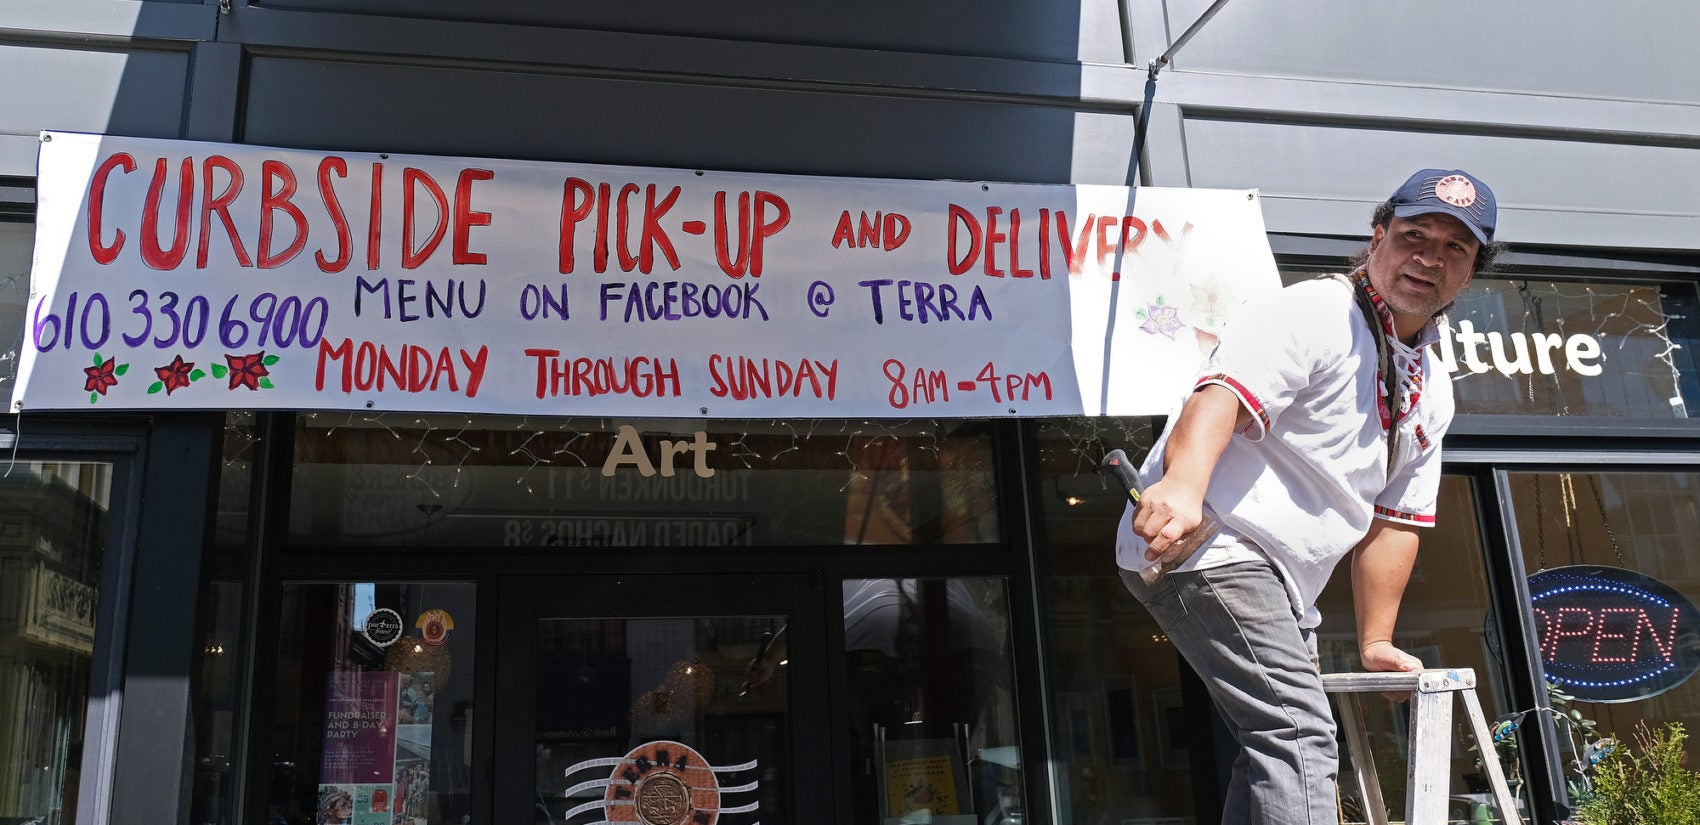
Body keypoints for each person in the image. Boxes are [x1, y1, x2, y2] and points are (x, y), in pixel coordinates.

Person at [1115, 168, 1505, 823]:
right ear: (1377, 237)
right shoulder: (1319, 311)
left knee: (1275, 739)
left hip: (1280, 581)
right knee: (1299, 731)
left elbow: (1396, 519)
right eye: (1414, 235)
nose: (1429, 258)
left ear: (1470, 271)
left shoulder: (1434, 386)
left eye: (1454, 248)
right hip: (1212, 542)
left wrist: (1377, 638)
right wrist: (1180, 487)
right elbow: (1219, 398)